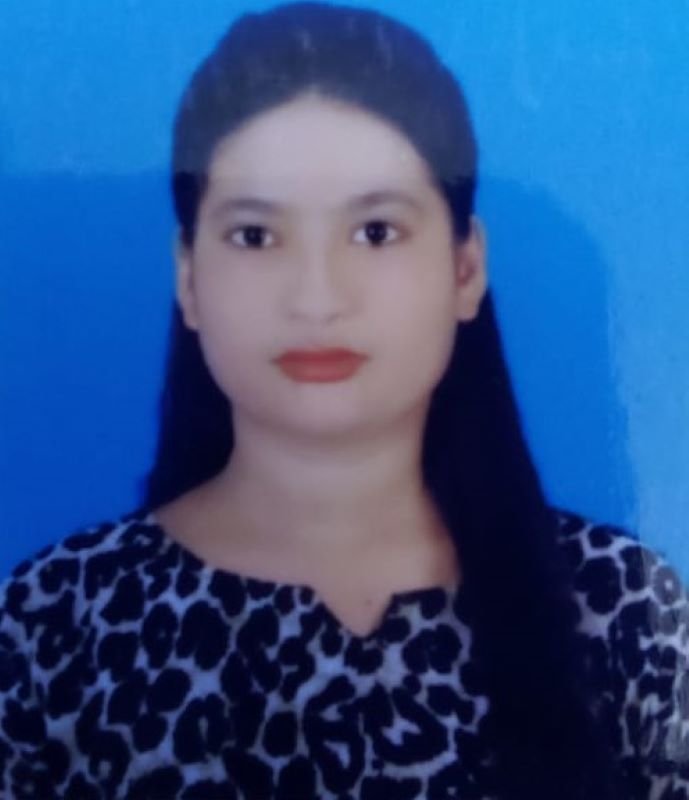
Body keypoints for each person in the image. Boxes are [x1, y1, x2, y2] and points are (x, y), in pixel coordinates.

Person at [1, 2, 687, 798]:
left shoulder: (621, 606)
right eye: (255, 236)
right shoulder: (56, 620)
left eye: (375, 232)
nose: (317, 299)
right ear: (188, 278)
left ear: (464, 270)